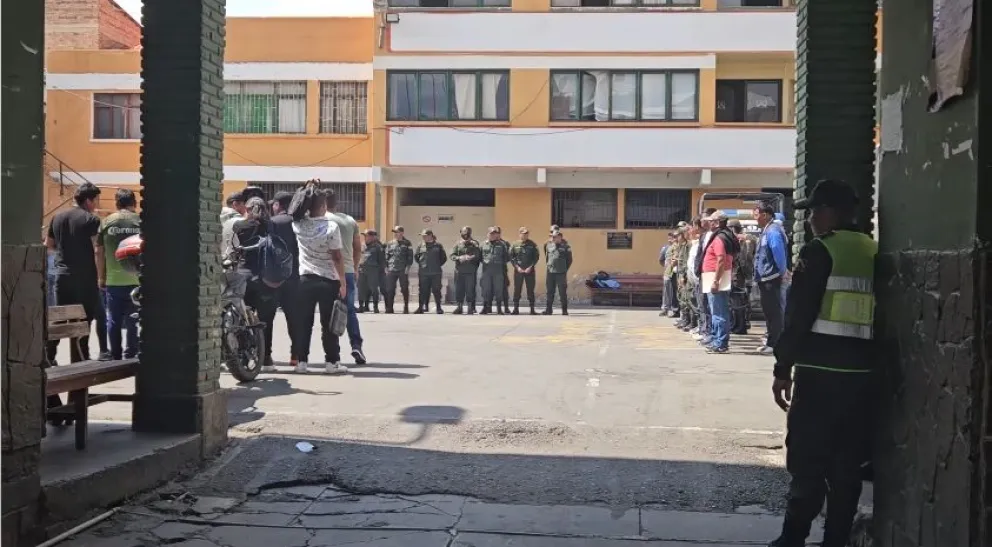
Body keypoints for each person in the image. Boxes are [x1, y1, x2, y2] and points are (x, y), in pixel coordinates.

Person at [769, 179, 877, 547]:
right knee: (847, 467)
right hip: (862, 377)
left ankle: (792, 537)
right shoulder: (873, 251)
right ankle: (836, 540)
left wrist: (783, 367)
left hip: (819, 375)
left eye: (815, 211)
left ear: (831, 213)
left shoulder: (819, 252)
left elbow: (798, 315)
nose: (811, 219)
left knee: (808, 460)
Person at [46, 182, 111, 364]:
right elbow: (97, 250)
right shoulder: (92, 220)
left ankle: (48, 357)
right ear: (89, 200)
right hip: (84, 278)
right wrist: (100, 277)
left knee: (59, 320)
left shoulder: (57, 218)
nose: (96, 204)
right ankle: (80, 359)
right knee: (84, 321)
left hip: (62, 276)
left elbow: (48, 246)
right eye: (96, 200)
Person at [291, 183, 349, 375]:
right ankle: (331, 363)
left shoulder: (298, 224)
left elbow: (295, 207)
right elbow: (337, 257)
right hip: (328, 280)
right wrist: (342, 281)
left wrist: (308, 188)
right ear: (324, 206)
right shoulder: (331, 226)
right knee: (329, 323)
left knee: (304, 322)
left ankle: (301, 362)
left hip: (305, 279)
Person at [231, 197, 279, 366]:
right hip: (265, 278)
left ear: (248, 209)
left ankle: (244, 355)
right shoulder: (271, 227)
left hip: (244, 276)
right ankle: (266, 358)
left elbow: (234, 248)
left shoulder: (239, 226)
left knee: (242, 320)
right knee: (265, 321)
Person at [96, 188, 141, 361]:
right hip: (137, 279)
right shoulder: (140, 222)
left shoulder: (106, 222)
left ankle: (115, 354)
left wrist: (101, 276)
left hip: (113, 280)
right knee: (133, 319)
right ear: (134, 203)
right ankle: (130, 354)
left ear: (116, 203)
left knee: (113, 319)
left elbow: (98, 252)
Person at [325, 191, 366, 364]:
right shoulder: (350, 220)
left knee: (327, 313)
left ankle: (333, 355)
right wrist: (355, 268)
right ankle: (356, 345)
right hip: (348, 270)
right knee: (349, 311)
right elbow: (358, 248)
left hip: (327, 272)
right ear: (337, 204)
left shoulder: (320, 220)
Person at [261, 191, 300, 371]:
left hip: (273, 278)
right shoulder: (299, 222)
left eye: (274, 204)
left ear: (279, 205)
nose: (272, 207)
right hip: (294, 277)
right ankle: (296, 356)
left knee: (266, 319)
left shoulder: (273, 222)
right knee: (294, 318)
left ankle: (266, 358)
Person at [754, 202, 790, 355]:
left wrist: (782, 272)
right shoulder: (767, 230)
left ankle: (775, 344)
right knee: (769, 312)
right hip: (765, 277)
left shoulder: (773, 231)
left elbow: (777, 252)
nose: (756, 219)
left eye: (757, 215)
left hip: (772, 277)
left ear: (765, 214)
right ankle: (770, 341)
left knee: (775, 312)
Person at [700, 211, 738, 353]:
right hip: (716, 277)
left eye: (711, 221)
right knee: (716, 310)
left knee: (719, 312)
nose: (708, 223)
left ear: (716, 223)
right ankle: (717, 339)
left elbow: (721, 259)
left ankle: (721, 343)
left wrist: (716, 280)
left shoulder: (719, 238)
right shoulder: (724, 236)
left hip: (716, 278)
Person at [691, 209, 717, 343]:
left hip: (711, 274)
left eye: (704, 220)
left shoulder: (716, 235)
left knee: (710, 306)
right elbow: (699, 256)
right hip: (702, 273)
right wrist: (697, 270)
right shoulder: (704, 236)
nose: (702, 222)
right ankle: (705, 330)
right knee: (703, 304)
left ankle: (710, 333)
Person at [728, 219, 757, 335]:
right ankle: (738, 325)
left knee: (739, 303)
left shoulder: (746, 240)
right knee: (737, 303)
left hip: (740, 276)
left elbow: (745, 259)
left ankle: (740, 326)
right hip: (739, 276)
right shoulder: (738, 240)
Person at [450, 226, 481, 315]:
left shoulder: (474, 244)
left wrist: (468, 257)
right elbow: (452, 255)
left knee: (470, 289)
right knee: (459, 289)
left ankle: (470, 308)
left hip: (470, 271)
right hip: (459, 271)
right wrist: (459, 257)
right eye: (463, 234)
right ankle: (459, 307)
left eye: (467, 234)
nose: (465, 236)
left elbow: (477, 255)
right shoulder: (457, 243)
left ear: (470, 234)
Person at [414, 229, 447, 314]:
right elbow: (417, 257)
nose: (423, 237)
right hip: (423, 272)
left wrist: (435, 264)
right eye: (422, 236)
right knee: (422, 290)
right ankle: (421, 307)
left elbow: (443, 258)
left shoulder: (438, 245)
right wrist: (423, 265)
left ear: (430, 236)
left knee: (436, 290)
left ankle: (439, 308)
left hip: (436, 272)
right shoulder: (420, 245)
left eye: (425, 236)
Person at [509, 227, 540, 315]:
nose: (525, 235)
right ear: (520, 234)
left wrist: (530, 267)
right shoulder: (515, 244)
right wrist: (517, 267)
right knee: (517, 289)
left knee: (530, 290)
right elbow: (511, 257)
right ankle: (515, 309)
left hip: (529, 271)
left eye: (526, 233)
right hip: (518, 270)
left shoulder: (532, 244)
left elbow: (536, 257)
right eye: (523, 233)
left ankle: (532, 309)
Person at [384, 226, 414, 314]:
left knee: (404, 288)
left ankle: (406, 306)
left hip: (402, 269)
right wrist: (386, 267)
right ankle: (390, 308)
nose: (395, 234)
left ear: (402, 233)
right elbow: (386, 255)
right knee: (390, 289)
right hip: (391, 269)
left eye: (397, 232)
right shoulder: (390, 243)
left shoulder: (407, 243)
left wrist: (408, 267)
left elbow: (410, 256)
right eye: (394, 232)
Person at [480, 227, 510, 315]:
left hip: (498, 271)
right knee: (486, 290)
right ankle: (485, 308)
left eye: (494, 234)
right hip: (486, 272)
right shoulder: (483, 245)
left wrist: (498, 263)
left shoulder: (502, 245)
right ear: (488, 234)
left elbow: (507, 257)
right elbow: (479, 257)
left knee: (499, 290)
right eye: (491, 234)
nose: (492, 235)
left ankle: (499, 309)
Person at [543, 229, 573, 315]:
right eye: (553, 237)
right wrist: (549, 266)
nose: (554, 238)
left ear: (560, 237)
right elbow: (547, 258)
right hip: (550, 272)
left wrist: (564, 269)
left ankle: (564, 310)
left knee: (562, 292)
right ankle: (549, 310)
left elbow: (569, 260)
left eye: (555, 237)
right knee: (549, 291)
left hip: (561, 273)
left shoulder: (566, 247)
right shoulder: (548, 245)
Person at [358, 229, 386, 313]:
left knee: (374, 289)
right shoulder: (362, 245)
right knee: (361, 289)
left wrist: (381, 272)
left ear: (371, 237)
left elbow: (382, 261)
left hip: (373, 271)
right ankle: (361, 306)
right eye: (365, 236)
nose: (365, 237)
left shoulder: (377, 247)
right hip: (362, 270)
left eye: (366, 236)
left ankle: (375, 307)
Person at [221, 191, 246, 256]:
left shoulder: (215, 218)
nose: (246, 208)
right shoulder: (241, 222)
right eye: (245, 204)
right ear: (235, 204)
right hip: (232, 262)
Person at [496, 227, 512, 314]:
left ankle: (506, 307)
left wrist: (500, 261)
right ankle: (488, 307)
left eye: (497, 232)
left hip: (502, 270)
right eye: (494, 232)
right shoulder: (488, 242)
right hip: (491, 271)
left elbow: (509, 256)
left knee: (504, 289)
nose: (496, 234)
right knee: (489, 289)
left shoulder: (505, 243)